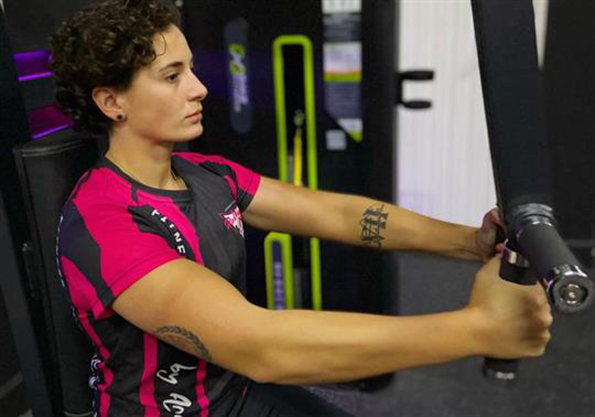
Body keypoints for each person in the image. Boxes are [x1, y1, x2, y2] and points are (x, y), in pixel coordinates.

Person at [50, 0, 552, 415]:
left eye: (192, 69)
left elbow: (337, 215)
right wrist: (478, 328)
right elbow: (262, 346)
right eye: (172, 75)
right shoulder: (103, 221)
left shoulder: (208, 174)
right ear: (112, 102)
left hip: (235, 391)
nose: (199, 88)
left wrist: (468, 241)